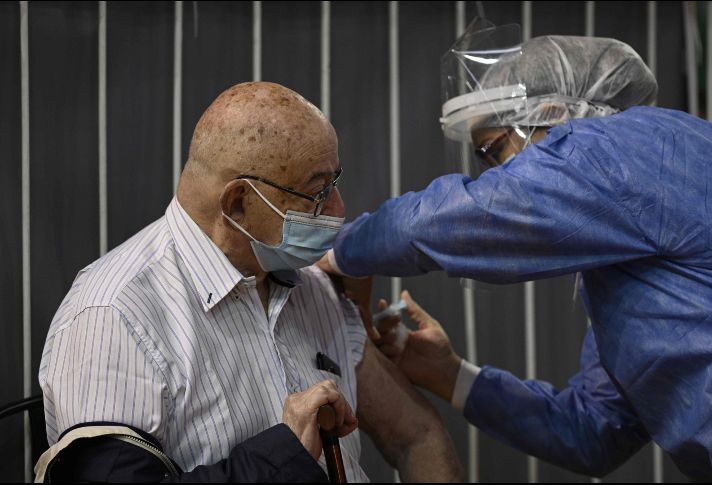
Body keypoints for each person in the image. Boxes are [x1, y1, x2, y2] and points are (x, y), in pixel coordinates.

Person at [320, 32, 712, 482]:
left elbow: (458, 218)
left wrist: (334, 250)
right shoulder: (625, 266)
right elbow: (595, 432)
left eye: (494, 150)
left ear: (553, 114)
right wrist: (450, 374)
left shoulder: (618, 146)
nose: (499, 175)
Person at [37, 82, 462, 482]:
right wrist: (278, 457)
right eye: (317, 193)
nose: (338, 209)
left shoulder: (313, 288)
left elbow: (416, 435)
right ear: (238, 203)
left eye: (335, 182)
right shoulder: (114, 315)